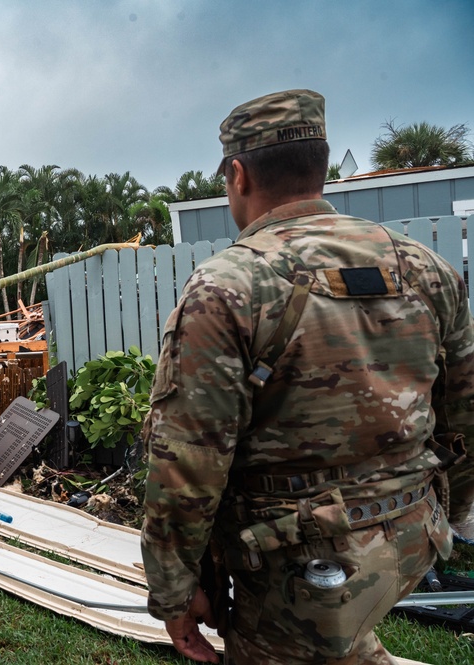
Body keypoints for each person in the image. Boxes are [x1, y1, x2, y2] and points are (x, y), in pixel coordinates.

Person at [140, 89, 474, 664]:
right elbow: (466, 410)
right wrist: (450, 509)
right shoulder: (425, 267)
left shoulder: (229, 287)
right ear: (320, 166)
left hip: (293, 563)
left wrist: (173, 590)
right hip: (412, 533)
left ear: (238, 175)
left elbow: (188, 460)